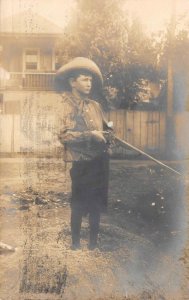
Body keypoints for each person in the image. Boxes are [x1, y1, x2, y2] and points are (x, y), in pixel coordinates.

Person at [54, 57, 112, 250]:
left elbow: (106, 129)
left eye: (90, 80)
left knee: (96, 204)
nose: (89, 83)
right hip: (80, 164)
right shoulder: (65, 105)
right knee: (78, 204)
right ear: (72, 82)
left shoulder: (95, 106)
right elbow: (64, 136)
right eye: (84, 79)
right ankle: (76, 244)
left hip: (98, 163)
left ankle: (93, 244)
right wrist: (90, 135)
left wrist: (108, 133)